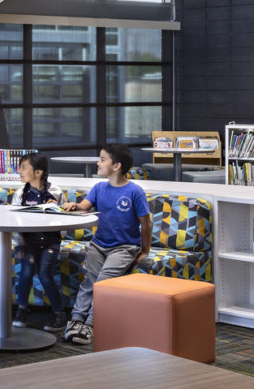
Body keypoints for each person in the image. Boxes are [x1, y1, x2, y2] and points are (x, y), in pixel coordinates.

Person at [58, 144, 152, 347]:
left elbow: (146, 222)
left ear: (117, 165)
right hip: (99, 245)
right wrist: (74, 205)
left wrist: (145, 250)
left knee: (102, 283)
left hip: (124, 247)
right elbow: (84, 205)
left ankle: (92, 324)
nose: (98, 163)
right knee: (88, 282)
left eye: (102, 159)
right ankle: (76, 320)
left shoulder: (135, 191)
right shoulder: (99, 188)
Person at [11, 152, 68, 334]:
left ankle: (59, 313)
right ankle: (21, 310)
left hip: (50, 241)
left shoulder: (56, 192)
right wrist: (19, 245)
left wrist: (56, 210)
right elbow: (14, 222)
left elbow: (66, 222)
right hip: (28, 242)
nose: (19, 171)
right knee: (26, 272)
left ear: (38, 172)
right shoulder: (20, 194)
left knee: (44, 273)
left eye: (24, 167)